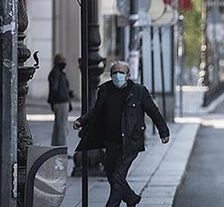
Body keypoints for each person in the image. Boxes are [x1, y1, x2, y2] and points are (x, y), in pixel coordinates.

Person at [72, 61, 170, 207]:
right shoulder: (105, 90)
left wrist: (163, 131)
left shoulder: (139, 91)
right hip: (110, 142)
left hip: (130, 142)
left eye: (121, 72)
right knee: (111, 174)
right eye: (115, 73)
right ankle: (131, 198)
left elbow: (153, 111)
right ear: (111, 75)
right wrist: (82, 120)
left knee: (118, 175)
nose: (118, 75)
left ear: (128, 75)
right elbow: (96, 111)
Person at [47, 53, 73, 146]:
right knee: (62, 127)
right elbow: (55, 89)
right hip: (61, 102)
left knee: (58, 126)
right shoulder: (57, 73)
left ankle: (55, 147)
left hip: (60, 101)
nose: (65, 62)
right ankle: (62, 149)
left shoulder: (57, 72)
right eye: (63, 60)